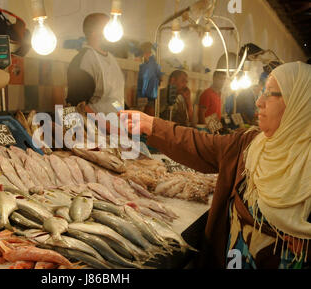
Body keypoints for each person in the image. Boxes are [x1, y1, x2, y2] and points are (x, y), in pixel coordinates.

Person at [120, 61, 310, 269]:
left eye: (270, 94)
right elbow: (201, 145)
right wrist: (152, 125)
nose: (259, 102)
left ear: (298, 102)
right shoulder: (248, 144)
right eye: (261, 92)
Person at [66, 13, 125, 115]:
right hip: (93, 127)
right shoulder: (84, 61)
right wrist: (107, 127)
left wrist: (125, 114)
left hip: (116, 125)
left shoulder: (111, 59)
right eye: (108, 28)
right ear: (93, 33)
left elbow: (115, 99)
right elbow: (76, 107)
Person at [136, 42, 163, 116]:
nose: (148, 54)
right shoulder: (144, 66)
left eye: (149, 52)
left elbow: (160, 79)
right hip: (144, 97)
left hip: (149, 98)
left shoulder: (153, 65)